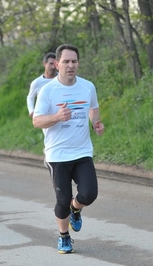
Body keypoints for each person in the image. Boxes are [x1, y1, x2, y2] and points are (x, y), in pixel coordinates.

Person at [32, 44, 105, 254]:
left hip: (82, 151)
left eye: (74, 61)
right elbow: (37, 121)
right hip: (57, 154)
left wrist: (96, 123)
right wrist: (56, 117)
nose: (70, 65)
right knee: (62, 200)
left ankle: (76, 208)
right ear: (57, 64)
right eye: (66, 61)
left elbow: (93, 108)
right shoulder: (47, 91)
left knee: (89, 194)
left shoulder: (87, 87)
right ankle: (64, 237)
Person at [26, 52, 57, 118]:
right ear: (44, 64)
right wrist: (31, 110)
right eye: (51, 64)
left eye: (55, 64)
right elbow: (30, 97)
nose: (53, 67)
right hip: (45, 117)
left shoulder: (62, 78)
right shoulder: (37, 83)